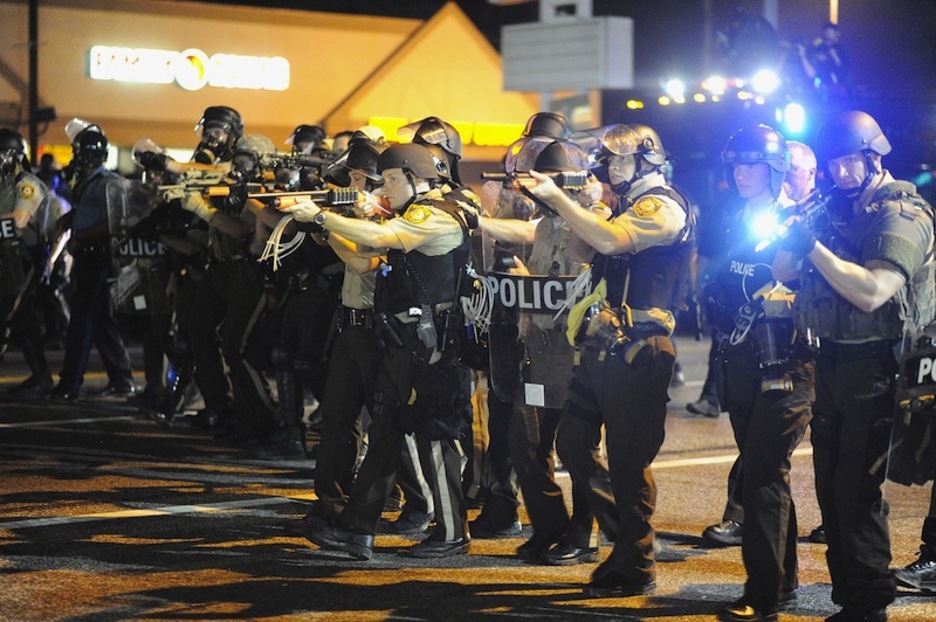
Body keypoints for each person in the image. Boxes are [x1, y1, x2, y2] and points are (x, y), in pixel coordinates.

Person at [772, 110, 935, 621]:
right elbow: (780, 269)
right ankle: (852, 598)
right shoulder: (835, 209)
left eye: (850, 163)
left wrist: (813, 246)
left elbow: (873, 291)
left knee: (856, 490)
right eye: (833, 164)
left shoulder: (901, 214)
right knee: (829, 487)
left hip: (883, 366)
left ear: (873, 158)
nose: (840, 174)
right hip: (835, 362)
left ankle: (869, 604)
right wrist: (794, 230)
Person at [287, 143, 476, 560]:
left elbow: (380, 238)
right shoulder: (414, 212)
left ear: (417, 176)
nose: (384, 187)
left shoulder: (434, 214)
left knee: (435, 437)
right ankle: (359, 529)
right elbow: (373, 245)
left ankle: (451, 531)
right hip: (406, 340)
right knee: (386, 430)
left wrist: (320, 215)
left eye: (391, 178)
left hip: (434, 346)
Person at [528, 123, 695, 595]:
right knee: (573, 441)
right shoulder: (619, 205)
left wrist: (563, 201)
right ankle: (628, 542)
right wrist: (581, 205)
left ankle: (635, 562)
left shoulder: (661, 205)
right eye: (606, 161)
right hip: (603, 343)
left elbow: (609, 242)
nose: (608, 168)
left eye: (618, 161)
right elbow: (584, 250)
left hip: (641, 348)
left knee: (627, 461)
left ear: (646, 160)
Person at [481, 136, 609, 564]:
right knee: (524, 441)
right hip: (537, 347)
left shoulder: (596, 221)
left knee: (578, 447)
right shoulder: (544, 225)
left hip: (575, 353)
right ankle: (550, 526)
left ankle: (584, 535)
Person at [705, 125, 814, 622]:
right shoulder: (731, 220)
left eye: (752, 163)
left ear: (773, 169)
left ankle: (764, 593)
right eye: (736, 163)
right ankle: (782, 582)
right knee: (764, 472)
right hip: (740, 358)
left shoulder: (796, 218)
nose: (741, 171)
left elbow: (797, 279)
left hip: (788, 360)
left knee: (763, 473)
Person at [182, 134, 278, 444]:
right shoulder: (231, 185)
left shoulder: (264, 190)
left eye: (246, 158)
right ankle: (221, 409)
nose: (238, 164)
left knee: (237, 349)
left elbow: (242, 228)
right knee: (197, 332)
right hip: (220, 269)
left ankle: (260, 420)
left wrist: (203, 209)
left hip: (245, 273)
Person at [48, 123, 135, 401]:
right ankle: (121, 378)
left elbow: (114, 222)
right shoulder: (89, 182)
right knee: (100, 320)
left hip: (98, 256)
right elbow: (88, 214)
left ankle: (69, 384)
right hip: (88, 254)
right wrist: (69, 220)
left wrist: (80, 234)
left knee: (83, 321)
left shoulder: (107, 183)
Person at [0, 128, 56, 396]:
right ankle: (41, 376)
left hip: (27, 258)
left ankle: (42, 376)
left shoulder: (27, 183)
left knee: (19, 318)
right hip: (5, 255)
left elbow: (19, 219)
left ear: (13, 156)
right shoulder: (3, 185)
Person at [797, 22, 849, 100]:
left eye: (829, 33)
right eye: (825, 32)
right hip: (820, 81)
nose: (827, 35)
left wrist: (832, 56)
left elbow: (842, 67)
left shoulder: (841, 49)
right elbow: (811, 54)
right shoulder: (819, 46)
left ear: (836, 34)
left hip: (836, 84)